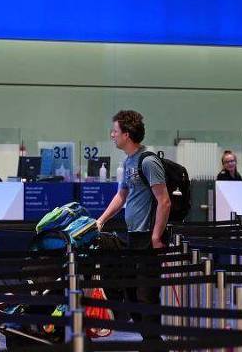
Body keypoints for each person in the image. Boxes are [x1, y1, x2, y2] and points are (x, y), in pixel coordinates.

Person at [95, 110, 170, 341]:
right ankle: (150, 342)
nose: (112, 135)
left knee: (147, 296)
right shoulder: (129, 161)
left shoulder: (148, 161)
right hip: (133, 237)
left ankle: (153, 344)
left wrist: (156, 237)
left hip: (148, 237)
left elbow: (164, 200)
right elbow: (122, 195)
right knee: (134, 296)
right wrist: (101, 219)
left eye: (115, 131)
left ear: (126, 134)